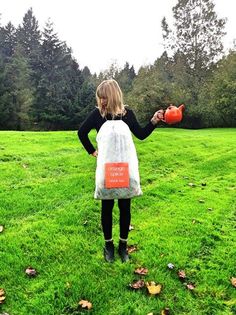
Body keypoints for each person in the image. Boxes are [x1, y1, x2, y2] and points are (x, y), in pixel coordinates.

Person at [78, 79, 164, 263]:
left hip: (125, 169)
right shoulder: (97, 115)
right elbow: (81, 132)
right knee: (107, 206)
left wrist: (154, 121)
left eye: (104, 98)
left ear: (113, 96)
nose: (102, 101)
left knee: (125, 207)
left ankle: (123, 245)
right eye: (99, 98)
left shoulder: (127, 114)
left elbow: (141, 134)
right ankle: (108, 245)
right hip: (107, 170)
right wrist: (92, 151)